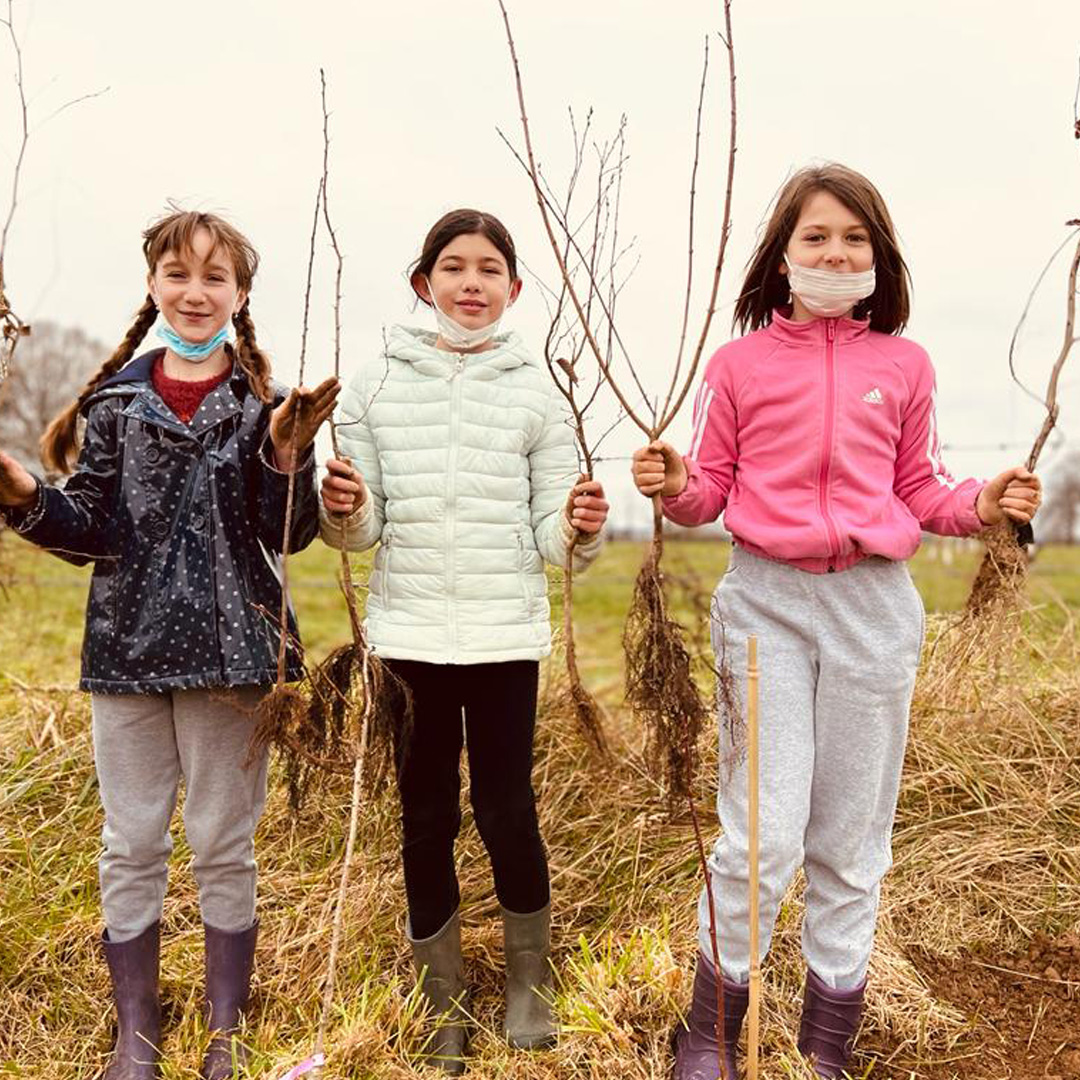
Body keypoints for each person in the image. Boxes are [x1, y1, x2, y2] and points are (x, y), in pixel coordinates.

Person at [631, 164, 1041, 1079]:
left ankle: (826, 1044)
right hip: (763, 604)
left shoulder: (905, 365)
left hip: (873, 609)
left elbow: (921, 490)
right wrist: (672, 483)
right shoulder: (737, 365)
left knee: (851, 840)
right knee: (762, 832)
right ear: (782, 256)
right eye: (815, 236)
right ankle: (711, 1032)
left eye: (853, 238)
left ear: (879, 257)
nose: (834, 252)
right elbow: (710, 492)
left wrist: (985, 502)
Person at [0, 210, 338, 1079]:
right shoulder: (114, 406)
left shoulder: (266, 408)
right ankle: (135, 1035)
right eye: (178, 274)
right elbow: (92, 530)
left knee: (224, 840)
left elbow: (287, 534)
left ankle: (227, 1031)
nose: (196, 292)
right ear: (152, 285)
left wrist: (286, 456)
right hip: (128, 653)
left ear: (240, 294)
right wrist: (25, 495)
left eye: (215, 277)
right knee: (131, 841)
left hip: (236, 656)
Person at [319, 208, 609, 1074]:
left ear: (514, 290)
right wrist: (344, 508)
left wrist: (579, 523)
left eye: (489, 269)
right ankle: (441, 1001)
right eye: (453, 267)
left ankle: (531, 986)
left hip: (502, 637)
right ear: (423, 283)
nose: (471, 283)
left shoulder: (536, 391)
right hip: (407, 636)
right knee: (426, 816)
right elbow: (358, 534)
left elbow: (557, 540)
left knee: (506, 809)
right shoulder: (371, 386)